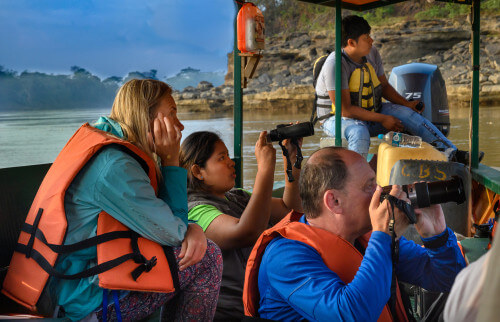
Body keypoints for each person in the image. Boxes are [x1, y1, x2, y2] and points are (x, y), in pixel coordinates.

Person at [2, 79, 222, 321]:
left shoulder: (109, 146)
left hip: (74, 286)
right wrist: (171, 161)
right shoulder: (115, 166)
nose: (180, 126)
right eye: (172, 114)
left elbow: (168, 228)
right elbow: (175, 235)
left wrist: (189, 228)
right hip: (82, 302)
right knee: (206, 257)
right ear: (144, 117)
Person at [243, 147, 466, 321]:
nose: (382, 193)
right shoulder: (285, 257)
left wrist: (436, 236)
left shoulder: (365, 237)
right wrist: (384, 236)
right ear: (334, 201)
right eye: (370, 187)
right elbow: (352, 315)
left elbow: (451, 281)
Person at [179, 131, 303, 320]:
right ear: (198, 172)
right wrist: (264, 169)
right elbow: (246, 232)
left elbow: (289, 210)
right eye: (221, 158)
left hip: (265, 301)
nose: (230, 162)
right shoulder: (195, 211)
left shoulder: (238, 196)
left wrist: (292, 160)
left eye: (228, 155)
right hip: (233, 312)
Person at [315, 15, 458, 160]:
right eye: (366, 37)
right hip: (336, 118)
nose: (371, 40)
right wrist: (383, 119)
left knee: (407, 114)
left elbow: (383, 86)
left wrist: (407, 104)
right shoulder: (335, 64)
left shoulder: (372, 53)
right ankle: (359, 177)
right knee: (359, 132)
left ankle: (452, 153)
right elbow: (345, 110)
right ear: (351, 42)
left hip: (371, 110)